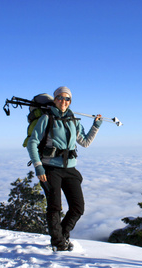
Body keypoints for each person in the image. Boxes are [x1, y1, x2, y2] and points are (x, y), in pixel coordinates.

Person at [26, 86, 102, 251]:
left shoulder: (73, 120)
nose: (63, 101)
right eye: (60, 97)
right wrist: (38, 167)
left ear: (70, 101)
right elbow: (32, 142)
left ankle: (63, 234)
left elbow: (85, 142)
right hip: (50, 168)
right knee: (55, 207)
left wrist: (96, 126)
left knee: (78, 207)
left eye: (67, 98)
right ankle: (58, 244)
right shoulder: (46, 118)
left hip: (70, 169)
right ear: (55, 99)